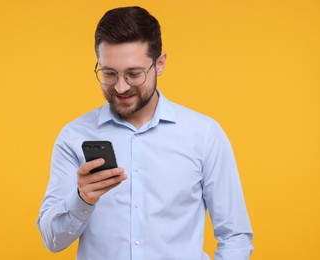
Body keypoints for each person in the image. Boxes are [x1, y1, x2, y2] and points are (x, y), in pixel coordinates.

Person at [37, 6, 253, 260]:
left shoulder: (204, 135)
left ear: (159, 64)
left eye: (133, 74)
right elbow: (52, 239)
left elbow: (234, 235)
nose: (120, 86)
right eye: (109, 73)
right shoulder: (74, 137)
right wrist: (82, 199)